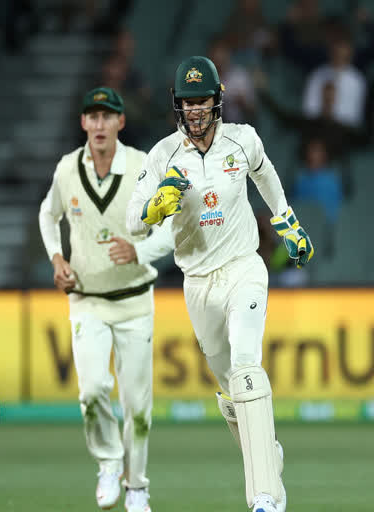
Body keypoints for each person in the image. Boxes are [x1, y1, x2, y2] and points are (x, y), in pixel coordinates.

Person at [126, 56, 314, 512]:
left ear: (217, 102)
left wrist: (285, 220)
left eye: (202, 101)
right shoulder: (162, 156)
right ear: (178, 106)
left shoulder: (242, 139)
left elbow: (265, 175)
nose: (195, 110)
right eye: (187, 102)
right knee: (234, 393)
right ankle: (268, 456)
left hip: (244, 268)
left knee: (248, 368)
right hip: (198, 283)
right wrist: (157, 206)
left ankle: (265, 498)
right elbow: (133, 221)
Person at [38, 87, 173, 512]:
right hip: (87, 299)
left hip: (134, 299)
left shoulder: (142, 166)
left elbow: (171, 228)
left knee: (137, 406)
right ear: (83, 123)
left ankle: (137, 487)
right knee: (93, 388)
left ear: (121, 122)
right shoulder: (66, 169)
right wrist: (56, 256)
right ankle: (109, 463)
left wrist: (140, 250)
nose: (99, 125)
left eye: (107, 116)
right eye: (92, 117)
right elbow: (48, 214)